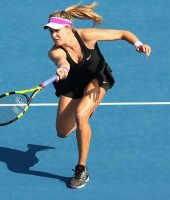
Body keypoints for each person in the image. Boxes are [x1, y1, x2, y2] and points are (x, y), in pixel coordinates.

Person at [43, 2, 151, 189]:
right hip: (72, 84)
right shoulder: (54, 51)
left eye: (57, 30)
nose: (54, 35)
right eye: (51, 31)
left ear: (69, 28)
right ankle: (86, 108)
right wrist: (63, 67)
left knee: (81, 116)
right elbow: (63, 62)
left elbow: (123, 33)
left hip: (96, 79)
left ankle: (81, 169)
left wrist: (138, 44)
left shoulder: (87, 36)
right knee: (62, 132)